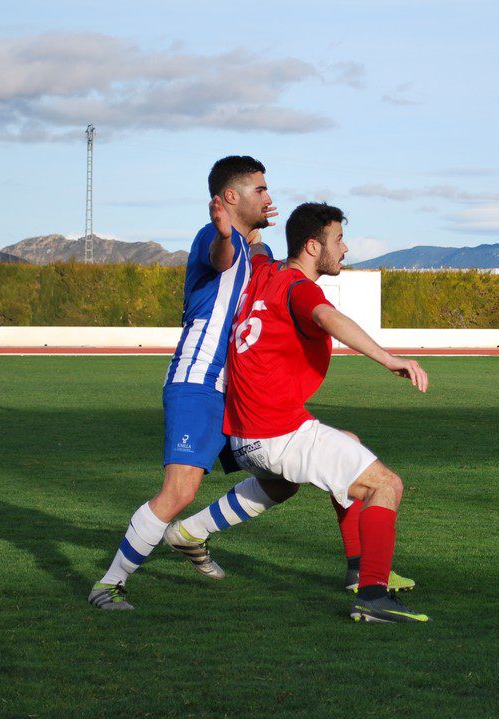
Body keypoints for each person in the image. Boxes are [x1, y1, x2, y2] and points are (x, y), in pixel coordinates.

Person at [89, 155, 292, 610]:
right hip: (198, 382)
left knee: (283, 477)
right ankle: (109, 584)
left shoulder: (251, 251)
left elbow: (257, 267)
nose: (269, 197)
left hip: (237, 390)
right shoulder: (213, 239)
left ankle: (190, 533)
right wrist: (226, 233)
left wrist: (253, 239)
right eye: (260, 189)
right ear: (230, 198)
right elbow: (221, 258)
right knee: (179, 490)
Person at [222, 202, 431, 623]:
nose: (346, 248)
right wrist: (389, 359)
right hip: (277, 433)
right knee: (386, 485)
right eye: (338, 239)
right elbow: (328, 317)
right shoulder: (301, 289)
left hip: (243, 435)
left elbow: (256, 244)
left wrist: (252, 220)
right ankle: (373, 595)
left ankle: (358, 568)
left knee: (348, 444)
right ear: (314, 246)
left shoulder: (265, 272)